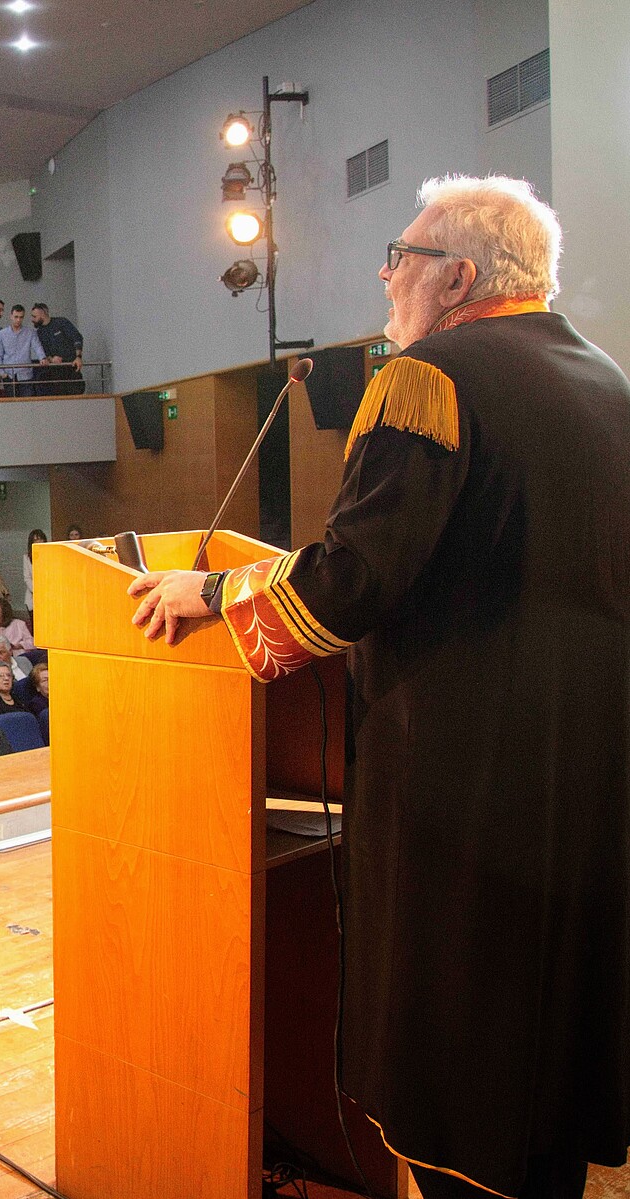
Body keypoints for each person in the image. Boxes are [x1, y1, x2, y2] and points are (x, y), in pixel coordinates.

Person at [126, 175, 628, 1199]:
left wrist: (210, 589)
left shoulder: (431, 379)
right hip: (588, 771)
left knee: (463, 1048)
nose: (386, 278)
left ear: (458, 276)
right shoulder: (606, 381)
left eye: (401, 258)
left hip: (464, 777)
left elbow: (353, 583)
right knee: (550, 1036)